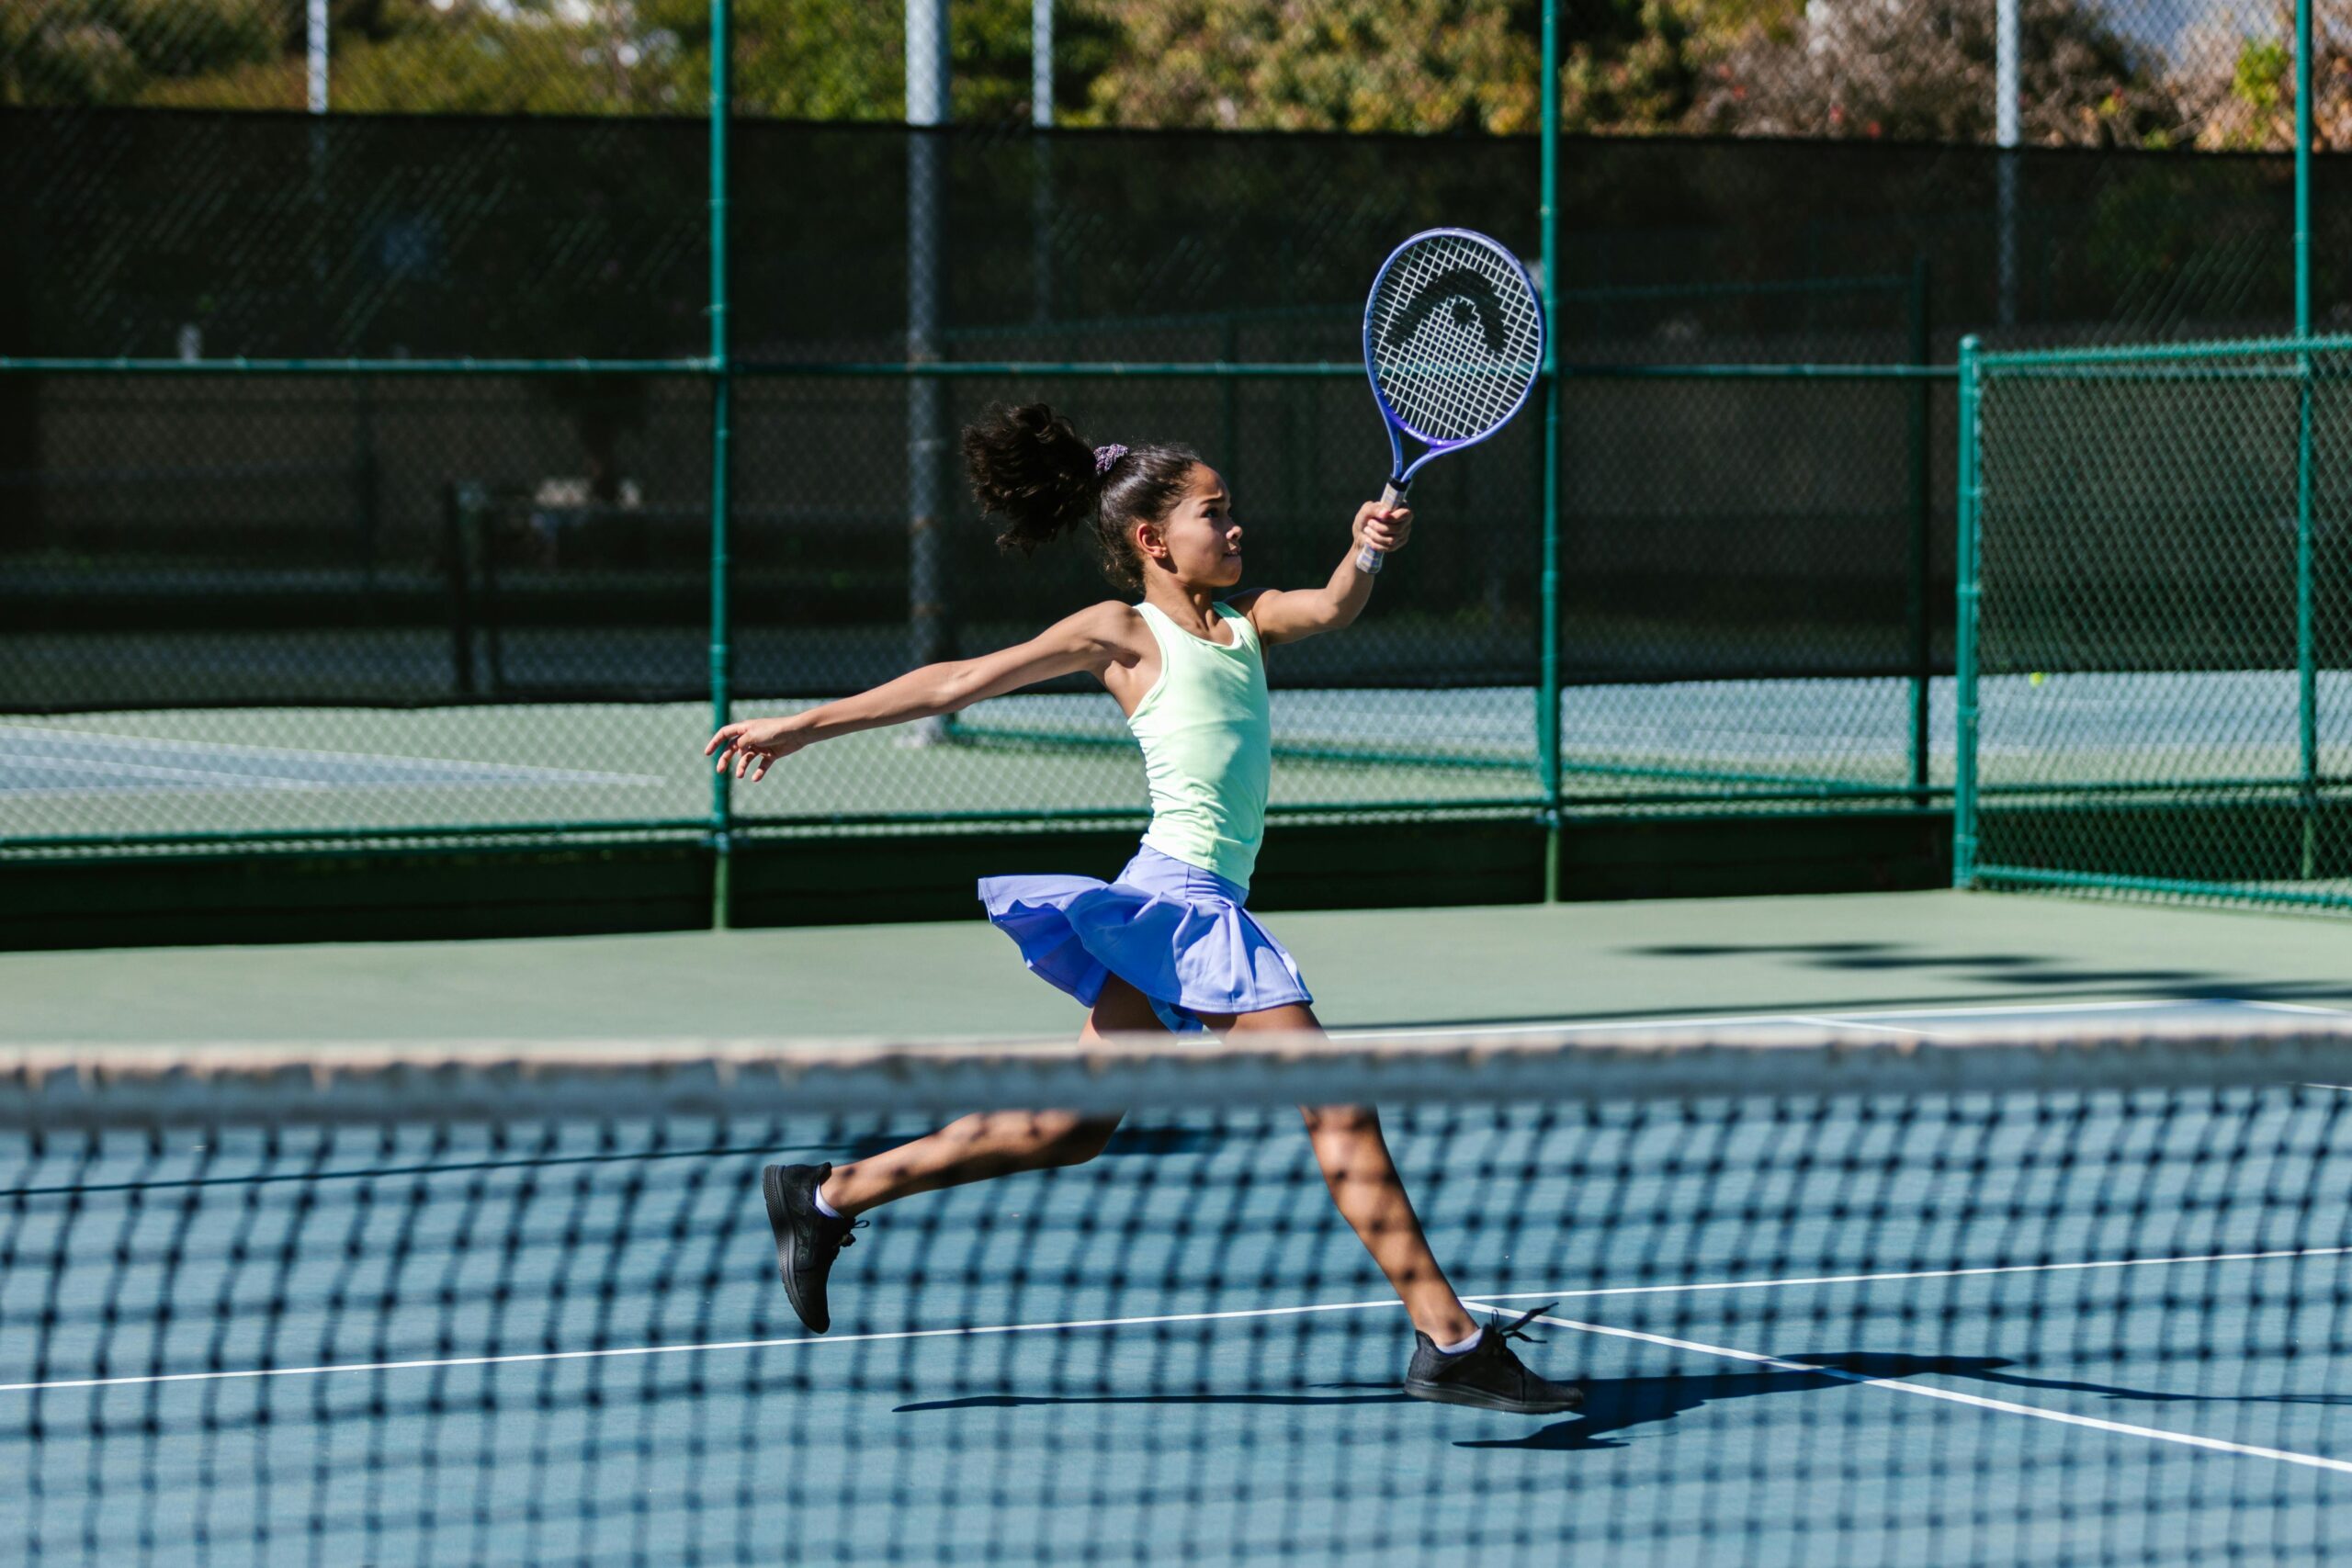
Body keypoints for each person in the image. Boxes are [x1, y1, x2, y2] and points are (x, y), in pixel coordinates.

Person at [707, 402, 1578, 1415]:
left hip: (1182, 903)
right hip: (1183, 904)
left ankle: (825, 1194)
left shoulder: (1246, 628)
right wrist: (804, 726)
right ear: (1151, 539)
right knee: (1334, 1097)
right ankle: (1451, 1340)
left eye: (1232, 508)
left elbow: (1333, 607)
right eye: (1215, 512)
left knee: (1065, 1128)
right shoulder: (1121, 631)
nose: (1236, 526)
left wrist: (1365, 550)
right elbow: (958, 680)